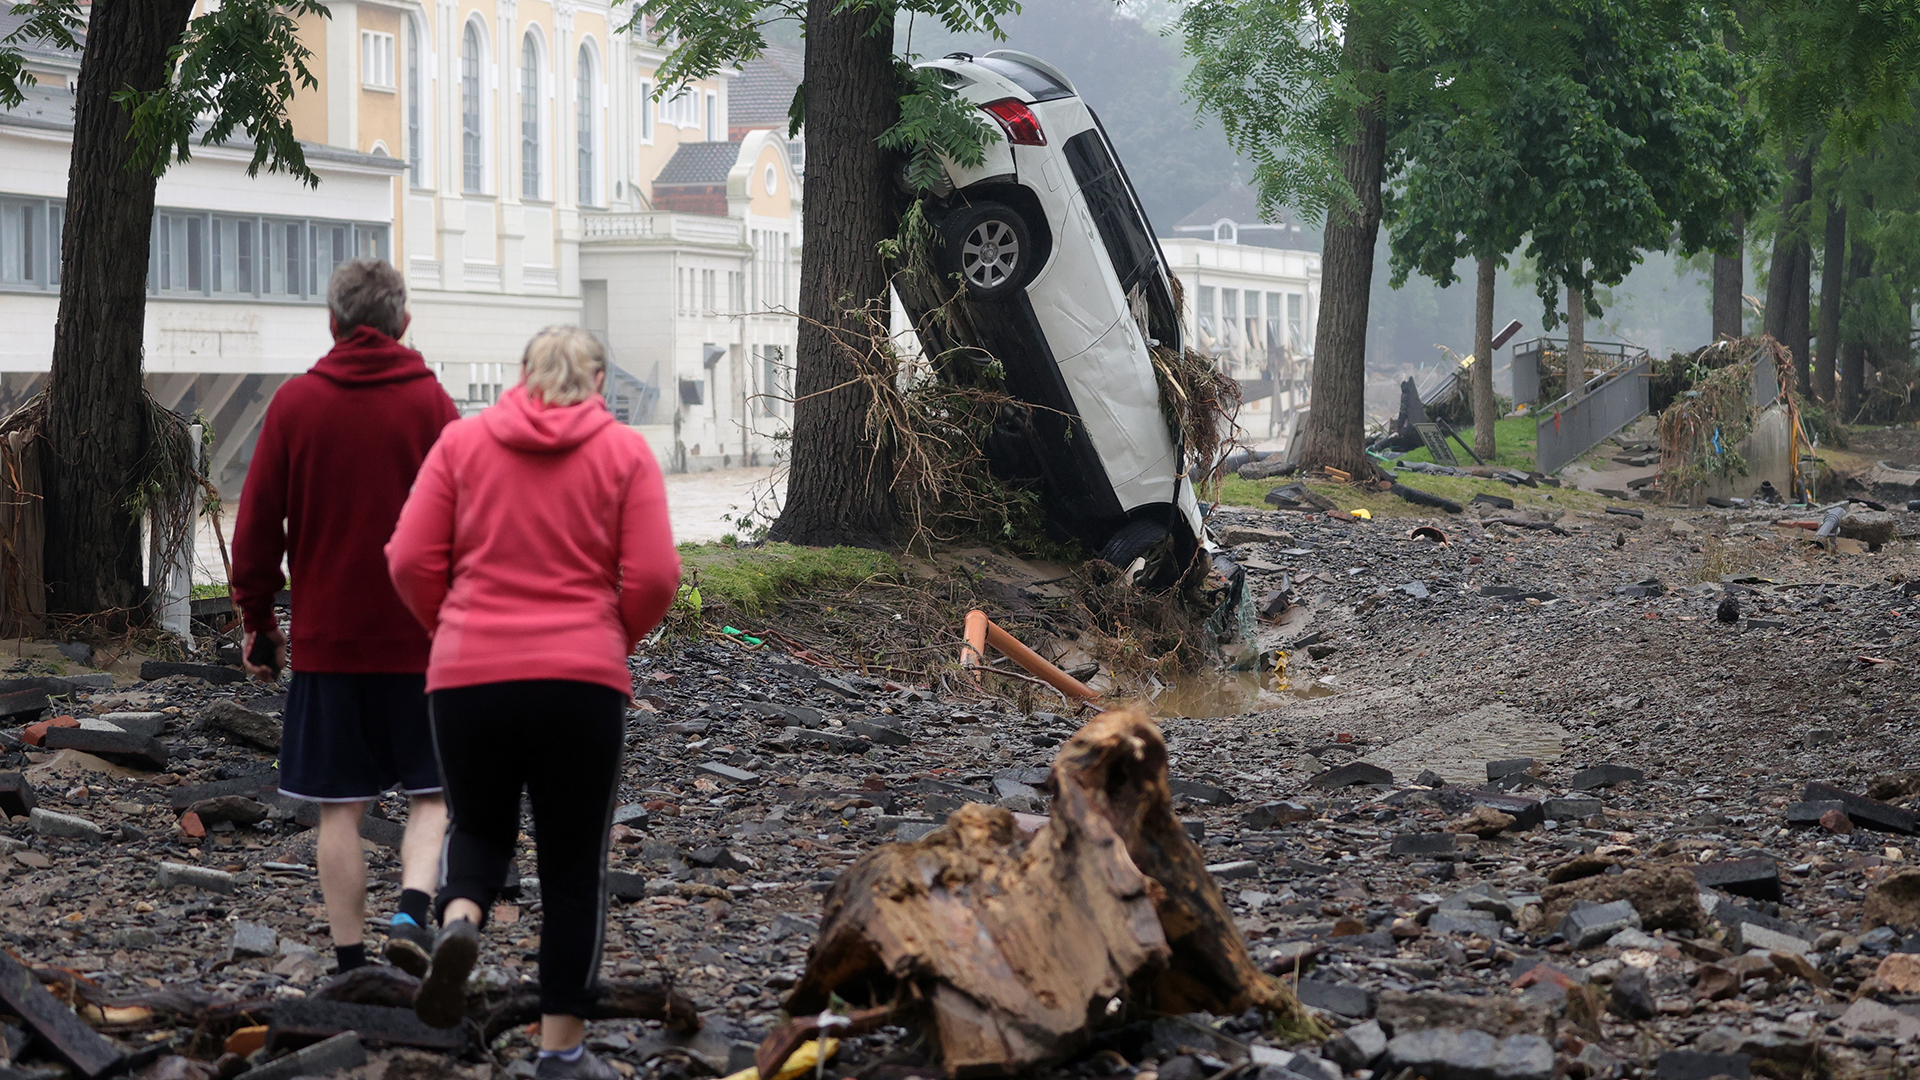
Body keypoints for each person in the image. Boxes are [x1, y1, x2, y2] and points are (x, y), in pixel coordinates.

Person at [386, 326, 679, 1078]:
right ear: (600, 383)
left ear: (520, 376)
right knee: (574, 867)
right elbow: (652, 580)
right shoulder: (625, 454)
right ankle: (560, 1052)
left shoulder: (462, 444)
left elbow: (409, 558)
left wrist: (449, 629)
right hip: (580, 682)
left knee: (479, 827)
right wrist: (614, 639)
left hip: (467, 677)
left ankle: (458, 920)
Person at [231, 258, 459, 976]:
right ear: (404, 323)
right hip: (424, 643)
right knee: (434, 794)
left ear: (333, 323)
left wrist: (259, 622)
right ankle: (412, 913)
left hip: (330, 646)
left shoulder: (296, 405)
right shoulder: (432, 405)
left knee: (340, 810)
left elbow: (258, 526)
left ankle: (354, 963)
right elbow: (472, 517)